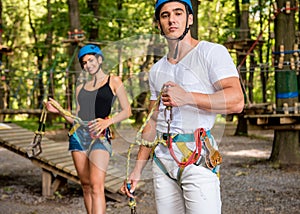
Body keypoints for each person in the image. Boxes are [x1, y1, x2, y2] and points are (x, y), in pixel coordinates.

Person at [121, 0, 244, 214]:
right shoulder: (157, 70)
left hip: (197, 155)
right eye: (165, 15)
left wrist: (187, 97)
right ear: (158, 24)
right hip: (162, 161)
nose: (172, 19)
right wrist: (137, 170)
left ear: (190, 18)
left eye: (178, 13)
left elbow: (236, 100)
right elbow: (152, 121)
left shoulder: (211, 53)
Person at [46, 44, 131, 214]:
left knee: (97, 185)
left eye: (91, 60)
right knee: (85, 185)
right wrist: (60, 111)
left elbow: (127, 111)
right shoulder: (80, 88)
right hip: (78, 136)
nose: (88, 65)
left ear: (99, 59)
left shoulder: (113, 80)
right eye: (84, 63)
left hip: (99, 136)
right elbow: (76, 118)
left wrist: (108, 122)